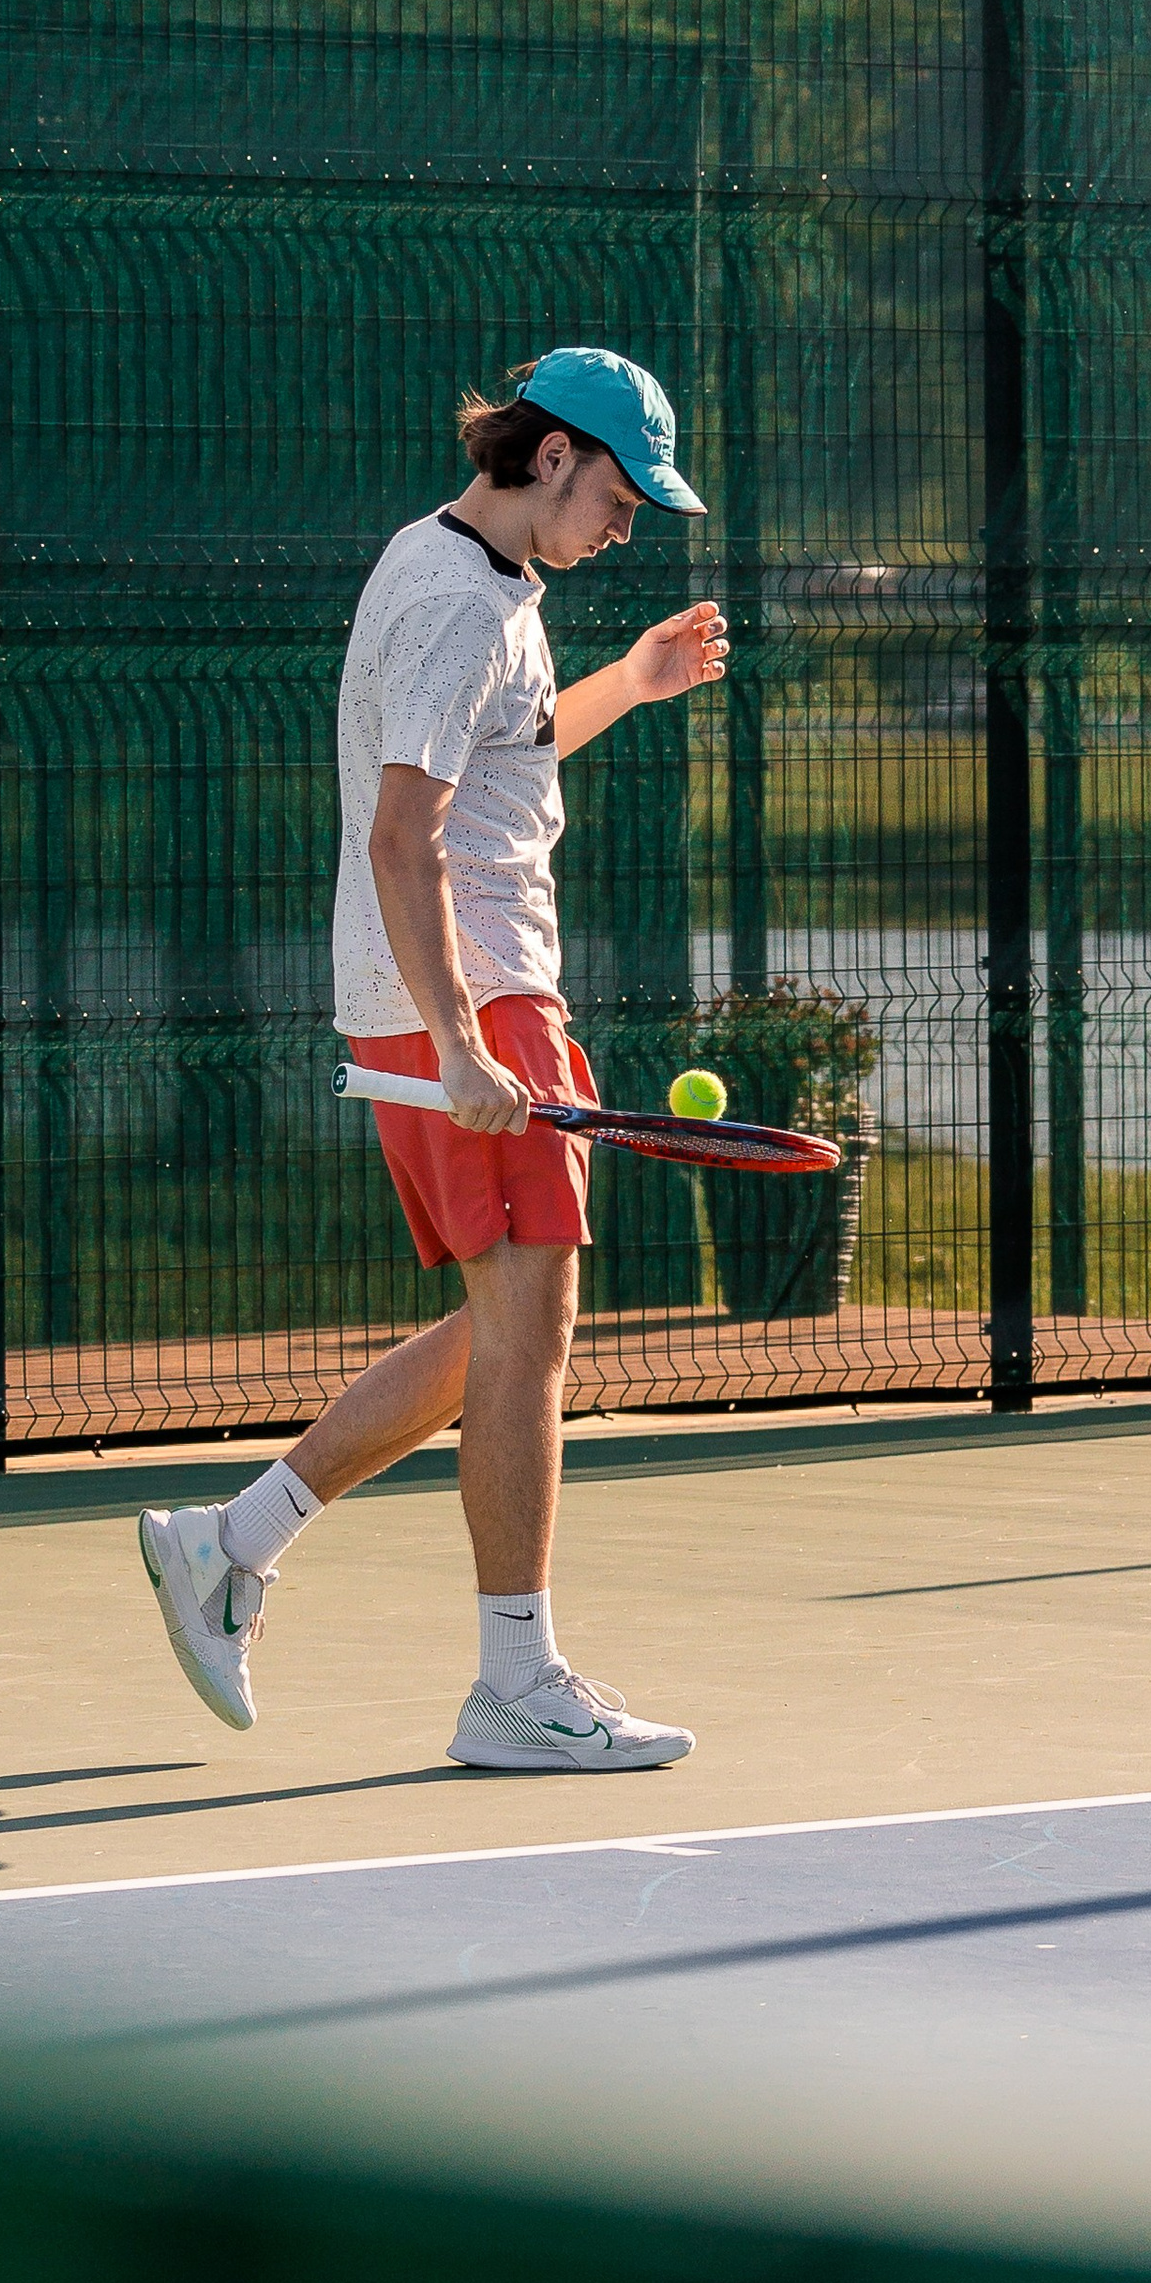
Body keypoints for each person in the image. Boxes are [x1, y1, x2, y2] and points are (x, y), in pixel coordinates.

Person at [136, 346, 725, 1771]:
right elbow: (404, 835)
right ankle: (513, 1684)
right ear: (549, 458)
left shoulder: (468, 575)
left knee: (516, 1335)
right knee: (530, 1340)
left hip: (463, 988)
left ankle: (232, 1540)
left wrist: (629, 686)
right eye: (620, 491)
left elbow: (503, 763)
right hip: (466, 994)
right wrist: (463, 1040)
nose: (628, 522)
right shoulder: (461, 603)